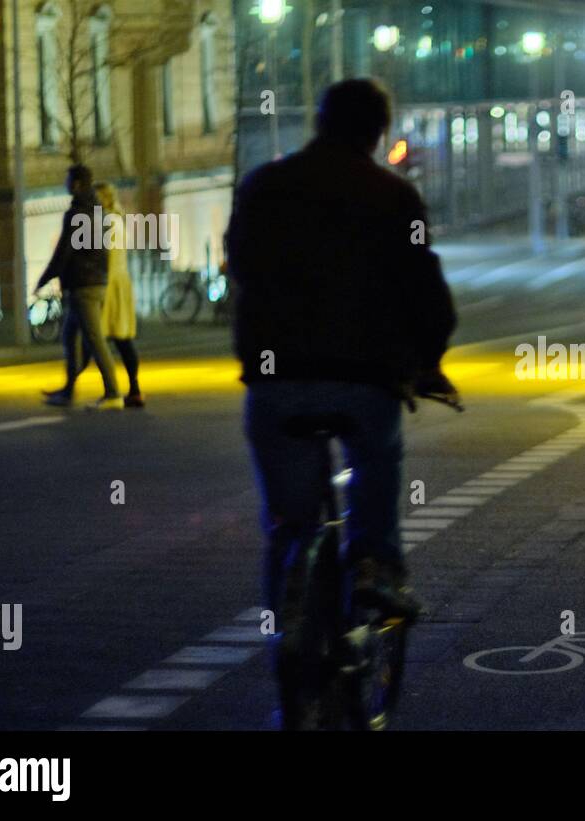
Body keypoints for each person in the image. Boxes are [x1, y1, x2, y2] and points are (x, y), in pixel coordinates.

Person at [226, 79, 457, 725]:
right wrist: (427, 362)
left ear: (319, 123)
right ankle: (375, 564)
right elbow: (424, 289)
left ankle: (289, 626)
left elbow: (240, 268)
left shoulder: (262, 185)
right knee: (376, 452)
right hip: (364, 377)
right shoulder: (394, 196)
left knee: (289, 523)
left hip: (275, 380)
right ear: (378, 133)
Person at [37, 164, 122, 410]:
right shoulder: (98, 212)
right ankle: (68, 390)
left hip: (83, 285)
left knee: (95, 339)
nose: (65, 184)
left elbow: (64, 251)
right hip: (94, 282)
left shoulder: (75, 215)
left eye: (68, 180)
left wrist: (44, 279)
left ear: (75, 184)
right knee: (69, 336)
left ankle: (113, 393)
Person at [73, 182, 144, 407]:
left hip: (108, 283)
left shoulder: (107, 222)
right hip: (118, 282)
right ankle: (134, 390)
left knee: (92, 337)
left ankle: (72, 385)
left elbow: (103, 257)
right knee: (121, 339)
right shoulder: (117, 220)